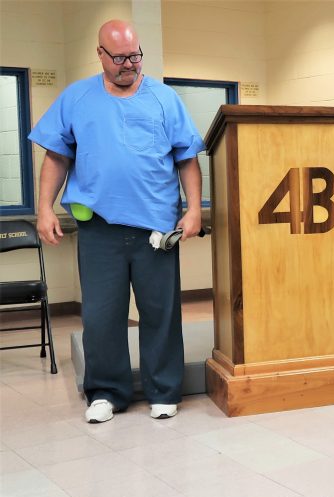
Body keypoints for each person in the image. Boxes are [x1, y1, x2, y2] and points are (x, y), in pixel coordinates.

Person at [30, 20, 204, 423]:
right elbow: (56, 156)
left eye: (136, 56)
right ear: (101, 55)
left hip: (156, 229)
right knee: (101, 314)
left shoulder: (164, 98)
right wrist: (44, 209)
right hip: (99, 228)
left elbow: (186, 158)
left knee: (160, 312)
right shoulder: (77, 98)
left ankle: (164, 390)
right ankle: (106, 392)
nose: (130, 65)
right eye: (121, 58)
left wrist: (193, 209)